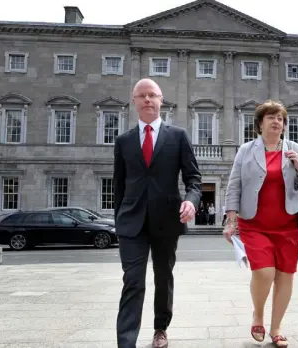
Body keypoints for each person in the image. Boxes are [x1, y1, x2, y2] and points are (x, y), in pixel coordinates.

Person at [113, 78, 202, 348]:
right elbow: (119, 185)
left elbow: (194, 179)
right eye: (142, 95)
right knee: (133, 281)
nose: (148, 99)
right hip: (132, 223)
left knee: (163, 278)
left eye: (153, 95)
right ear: (134, 100)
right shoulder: (124, 141)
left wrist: (191, 201)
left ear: (161, 100)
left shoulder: (177, 136)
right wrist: (119, 220)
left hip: (167, 220)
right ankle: (126, 342)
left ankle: (160, 329)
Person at [223, 100, 298, 348]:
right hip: (254, 223)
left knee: (286, 276)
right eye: (271, 117)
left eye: (281, 118)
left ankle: (276, 328)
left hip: (288, 224)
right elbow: (234, 185)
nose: (277, 121)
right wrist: (231, 221)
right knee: (264, 272)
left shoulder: (294, 147)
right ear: (260, 123)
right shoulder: (245, 150)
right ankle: (258, 314)